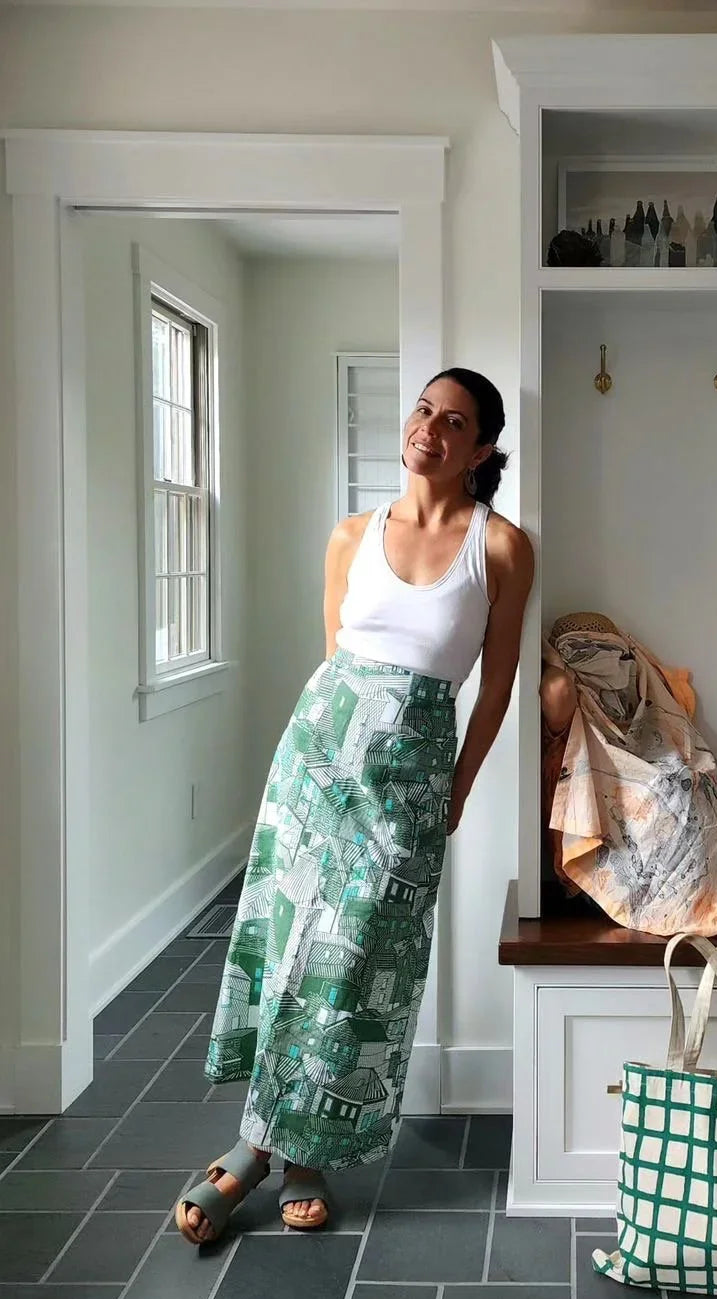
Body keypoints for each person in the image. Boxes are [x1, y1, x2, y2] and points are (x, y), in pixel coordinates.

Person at [175, 369, 533, 1243]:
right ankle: (282, 1154)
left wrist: (459, 783)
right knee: (292, 947)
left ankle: (267, 1150)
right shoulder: (350, 535)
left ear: (481, 448)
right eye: (423, 410)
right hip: (313, 767)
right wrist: (330, 760)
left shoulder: (502, 548)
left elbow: (493, 689)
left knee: (358, 972)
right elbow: (336, 659)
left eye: (455, 422)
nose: (430, 429)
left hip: (410, 780)